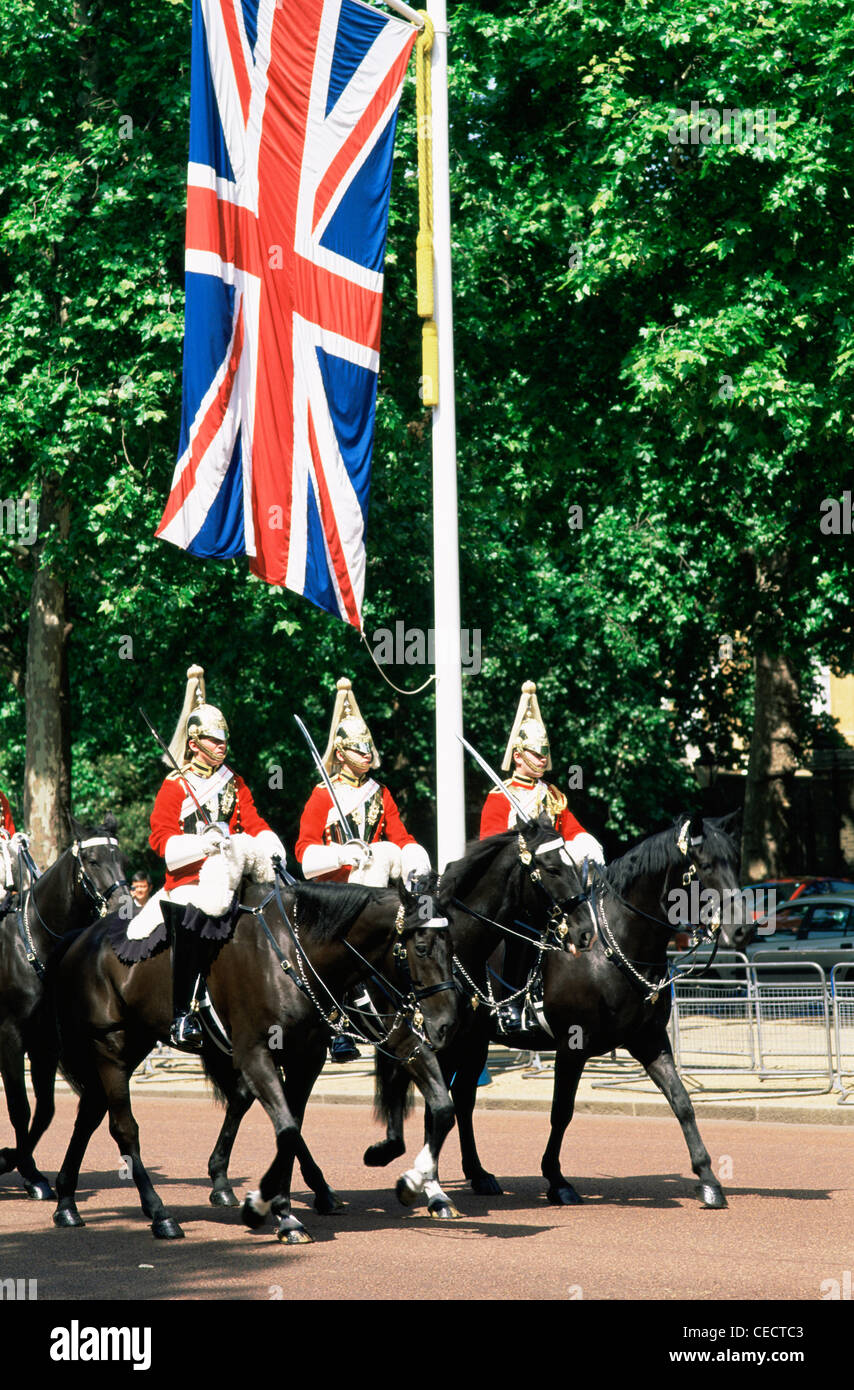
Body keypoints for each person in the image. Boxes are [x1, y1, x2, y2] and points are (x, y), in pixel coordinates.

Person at [141, 664, 287, 1050]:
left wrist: (269, 843)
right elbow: (161, 841)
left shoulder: (234, 782)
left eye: (224, 738)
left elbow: (253, 822)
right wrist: (204, 845)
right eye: (213, 739)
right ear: (194, 743)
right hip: (189, 881)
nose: (222, 745)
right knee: (192, 913)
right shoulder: (174, 786)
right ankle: (182, 1013)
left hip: (235, 873)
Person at [295, 677, 431, 1060]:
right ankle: (338, 1023)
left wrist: (414, 855)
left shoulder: (380, 792)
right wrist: (340, 855)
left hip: (375, 890)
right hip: (334, 895)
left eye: (368, 746)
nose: (367, 753)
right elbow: (304, 851)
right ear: (340, 753)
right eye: (358, 748)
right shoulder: (323, 794)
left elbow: (399, 836)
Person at [479, 680, 605, 1034]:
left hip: (555, 887)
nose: (544, 759)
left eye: (546, 752)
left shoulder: (554, 794)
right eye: (537, 753)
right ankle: (510, 1001)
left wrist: (587, 844)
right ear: (518, 756)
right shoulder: (499, 797)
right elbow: (490, 847)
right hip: (517, 888)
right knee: (522, 929)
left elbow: (572, 831)